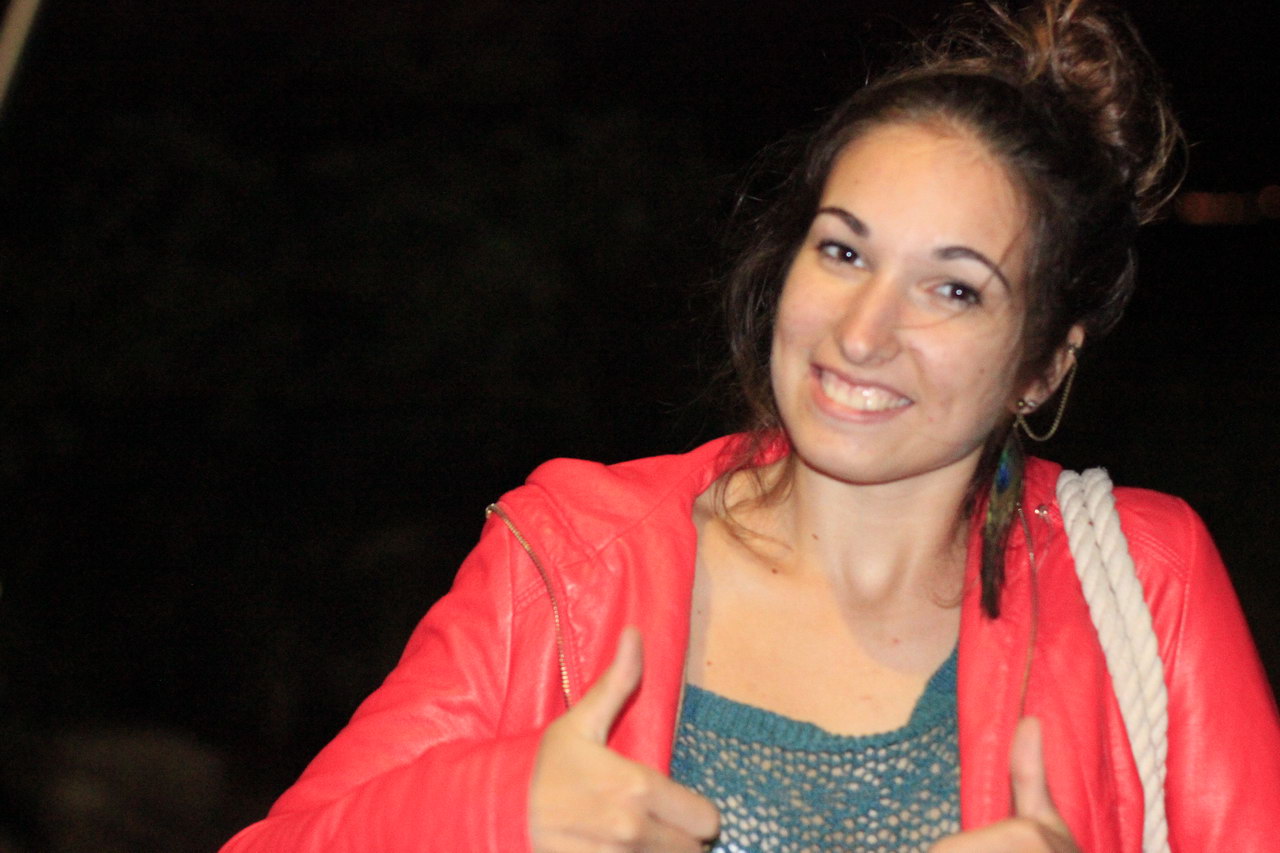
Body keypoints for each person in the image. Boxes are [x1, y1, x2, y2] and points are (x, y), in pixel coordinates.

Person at [221, 1, 1280, 850]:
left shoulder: (1145, 584)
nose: (862, 331)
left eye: (953, 289)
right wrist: (496, 813)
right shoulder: (571, 558)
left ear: (1043, 363)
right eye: (843, 251)